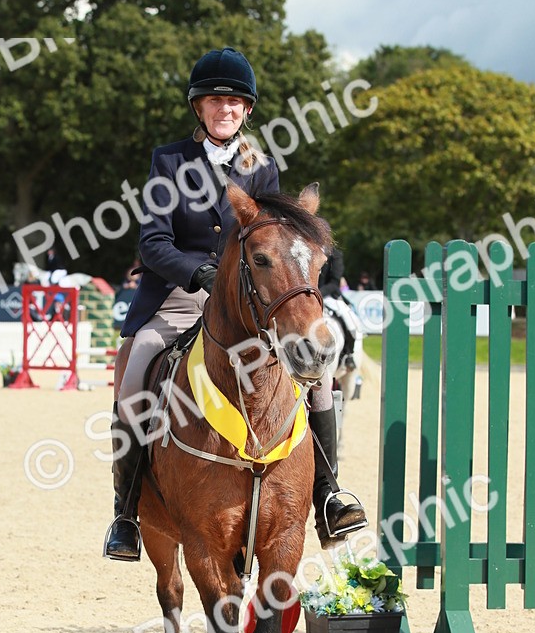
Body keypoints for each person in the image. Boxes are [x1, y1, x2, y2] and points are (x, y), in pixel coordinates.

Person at [103, 46, 367, 561]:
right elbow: (152, 243)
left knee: (315, 373)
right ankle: (126, 510)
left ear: (246, 110)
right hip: (180, 294)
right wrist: (199, 273)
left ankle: (328, 494)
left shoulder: (261, 168)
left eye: (234, 102)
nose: (224, 109)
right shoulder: (168, 161)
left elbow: (272, 237)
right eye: (214, 100)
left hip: (247, 299)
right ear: (199, 107)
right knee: (136, 369)